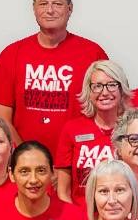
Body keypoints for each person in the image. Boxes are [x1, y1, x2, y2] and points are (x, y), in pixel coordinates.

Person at [0, 0, 111, 147]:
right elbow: (0, 118)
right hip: (24, 164)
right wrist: (26, 155)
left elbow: (109, 110)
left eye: (57, 4)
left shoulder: (93, 53)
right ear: (34, 8)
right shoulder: (11, 54)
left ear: (70, 8)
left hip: (78, 158)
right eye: (43, 4)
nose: (50, 10)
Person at [49, 62, 130, 202]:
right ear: (89, 91)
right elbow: (63, 191)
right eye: (97, 86)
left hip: (121, 213)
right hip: (80, 215)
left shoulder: (133, 129)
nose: (104, 92)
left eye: (112, 85)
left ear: (121, 90)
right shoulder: (72, 129)